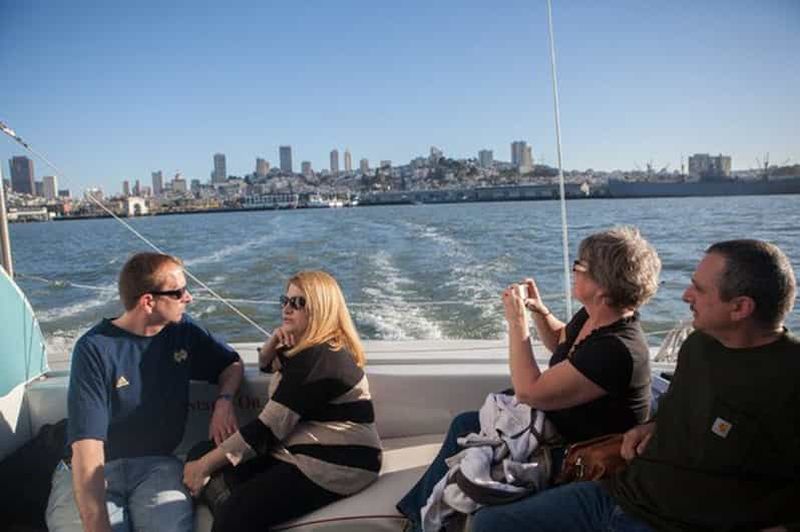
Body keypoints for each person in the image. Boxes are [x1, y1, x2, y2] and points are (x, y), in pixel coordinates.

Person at [471, 238, 800, 532]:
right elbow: (680, 409)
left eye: (698, 290)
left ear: (740, 307)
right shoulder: (700, 345)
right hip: (627, 492)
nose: (686, 295)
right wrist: (650, 427)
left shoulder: (789, 377)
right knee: (489, 523)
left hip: (682, 522)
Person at [397, 226, 662, 531]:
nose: (573, 270)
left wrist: (516, 323)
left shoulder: (617, 349)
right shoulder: (596, 316)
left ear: (602, 287)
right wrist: (540, 313)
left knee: (487, 508)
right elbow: (563, 342)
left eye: (580, 266)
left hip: (577, 451)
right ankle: (417, 518)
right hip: (555, 427)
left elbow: (529, 392)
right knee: (465, 423)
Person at [45, 252, 244, 532]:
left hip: (158, 466)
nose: (189, 298)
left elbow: (231, 364)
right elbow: (88, 451)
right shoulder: (95, 349)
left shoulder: (183, 332)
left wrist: (224, 402)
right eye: (179, 293)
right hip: (95, 470)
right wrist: (97, 524)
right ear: (148, 301)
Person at [183, 270, 382, 532]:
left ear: (321, 309)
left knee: (232, 513)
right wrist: (271, 345)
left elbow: (265, 431)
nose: (287, 308)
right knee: (200, 452)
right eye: (285, 301)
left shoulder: (320, 359)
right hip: (298, 445)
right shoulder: (307, 350)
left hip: (337, 462)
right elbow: (274, 369)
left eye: (298, 303)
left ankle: (234, 509)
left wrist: (202, 468)